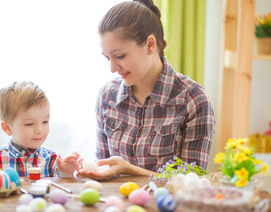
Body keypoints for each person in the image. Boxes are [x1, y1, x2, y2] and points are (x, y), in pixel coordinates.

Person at [77, 0, 215, 180]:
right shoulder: (107, 96)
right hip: (116, 206)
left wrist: (130, 170)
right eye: (107, 58)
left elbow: (192, 182)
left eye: (120, 56)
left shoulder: (193, 100)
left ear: (150, 45)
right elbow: (103, 169)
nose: (112, 68)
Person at [0, 81, 81, 178]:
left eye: (45, 122)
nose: (39, 130)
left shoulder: (53, 159)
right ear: (7, 128)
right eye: (29, 124)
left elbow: (64, 188)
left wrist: (66, 173)